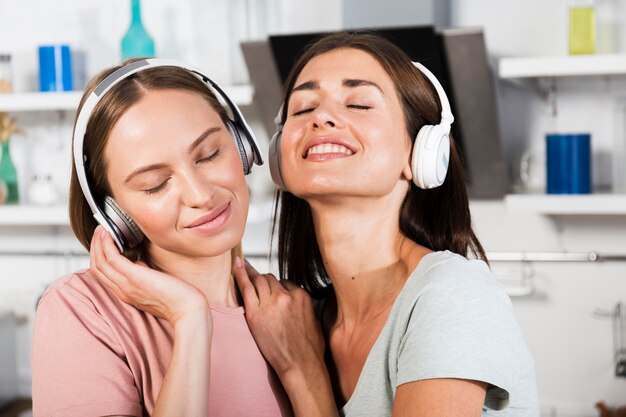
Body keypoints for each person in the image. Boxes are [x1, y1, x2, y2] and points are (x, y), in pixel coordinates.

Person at [233, 31, 541, 417]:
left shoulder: (451, 294)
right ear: (280, 159)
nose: (321, 117)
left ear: (423, 153)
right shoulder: (298, 322)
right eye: (302, 107)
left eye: (359, 104)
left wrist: (304, 373)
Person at [31, 59, 292, 417]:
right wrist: (190, 318)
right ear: (114, 214)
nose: (200, 194)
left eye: (210, 154)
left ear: (242, 145)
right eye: (155, 184)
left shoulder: (287, 308)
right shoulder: (82, 311)